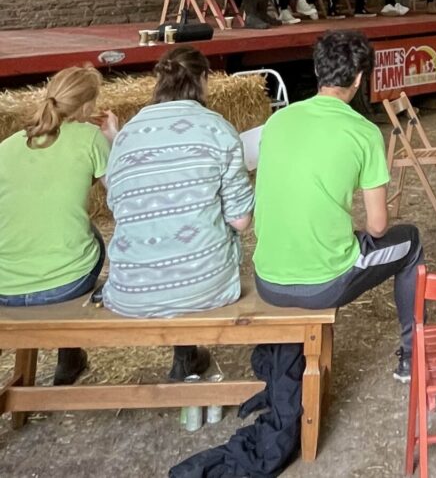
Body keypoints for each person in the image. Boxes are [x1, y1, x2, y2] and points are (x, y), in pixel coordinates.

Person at [253, 31, 423, 382]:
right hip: (322, 283)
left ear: (318, 69)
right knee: (412, 242)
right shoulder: (363, 132)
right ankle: (411, 353)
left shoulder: (276, 121)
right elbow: (377, 227)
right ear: (360, 78)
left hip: (267, 279)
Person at [104, 47, 253, 381]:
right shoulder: (218, 129)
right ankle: (186, 353)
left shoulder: (127, 134)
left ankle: (185, 356)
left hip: (131, 288)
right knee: (202, 237)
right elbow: (240, 221)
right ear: (202, 80)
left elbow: (117, 204)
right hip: (206, 284)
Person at [0, 67, 118, 386]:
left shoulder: (8, 146)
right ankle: (67, 355)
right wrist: (113, 138)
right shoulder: (89, 137)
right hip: (66, 282)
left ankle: (71, 356)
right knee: (89, 232)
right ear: (85, 107)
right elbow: (123, 196)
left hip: (6, 286)